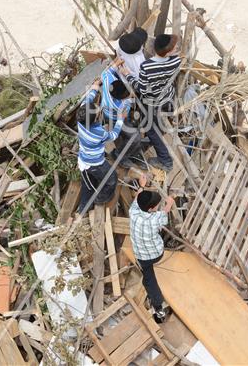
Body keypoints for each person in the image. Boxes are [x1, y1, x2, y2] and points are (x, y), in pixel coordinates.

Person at [121, 34, 181, 171]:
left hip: (153, 102)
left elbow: (141, 88)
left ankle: (166, 161)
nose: (176, 49)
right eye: (173, 48)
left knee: (150, 129)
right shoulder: (176, 61)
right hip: (168, 97)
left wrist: (127, 74)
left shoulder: (147, 66)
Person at [129, 174, 175, 322]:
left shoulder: (133, 212)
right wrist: (169, 203)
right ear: (150, 209)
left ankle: (157, 305)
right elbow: (166, 211)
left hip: (141, 255)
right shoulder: (157, 218)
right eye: (156, 206)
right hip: (156, 254)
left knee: (148, 275)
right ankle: (158, 307)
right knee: (150, 280)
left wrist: (142, 186)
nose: (158, 207)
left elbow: (137, 199)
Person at [77, 78, 126, 213]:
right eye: (98, 113)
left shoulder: (81, 118)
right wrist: (120, 119)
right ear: (95, 120)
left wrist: (94, 87)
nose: (99, 111)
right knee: (112, 179)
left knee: (87, 186)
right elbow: (114, 135)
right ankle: (101, 199)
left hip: (84, 158)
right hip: (95, 163)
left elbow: (88, 100)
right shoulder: (99, 133)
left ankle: (82, 210)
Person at [102, 59, 146, 169]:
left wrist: (117, 62)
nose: (129, 95)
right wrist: (132, 96)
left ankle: (133, 153)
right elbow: (124, 115)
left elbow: (106, 71)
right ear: (120, 99)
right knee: (135, 138)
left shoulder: (108, 80)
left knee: (135, 132)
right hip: (116, 118)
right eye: (127, 96)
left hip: (109, 113)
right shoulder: (118, 106)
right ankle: (120, 156)